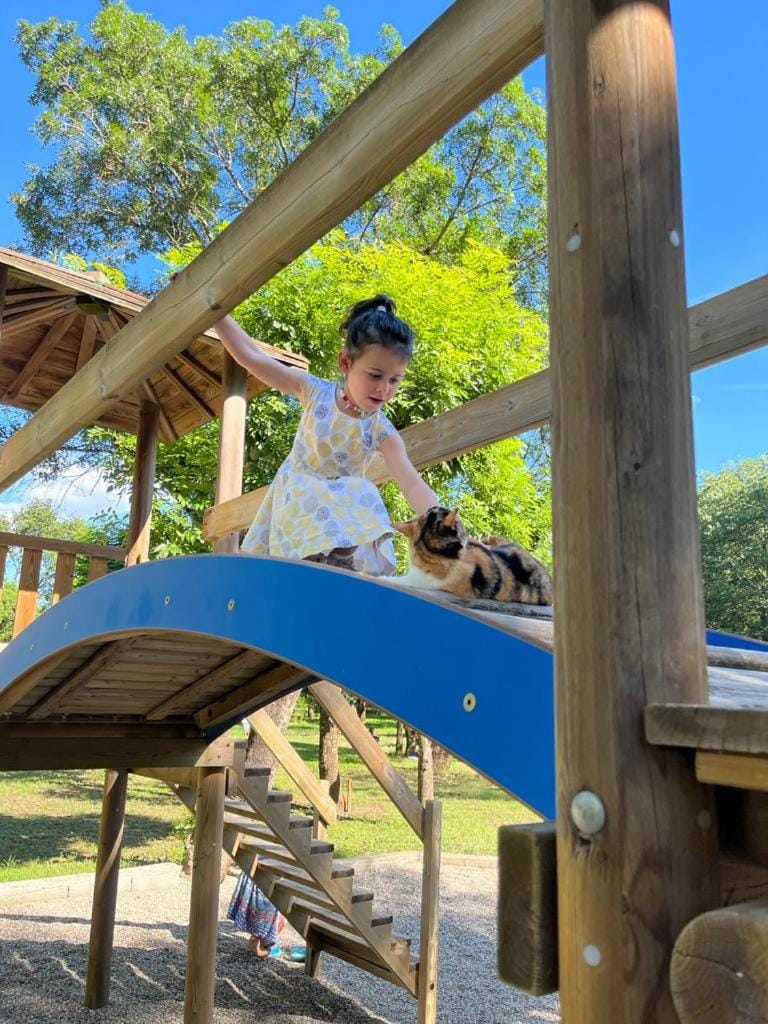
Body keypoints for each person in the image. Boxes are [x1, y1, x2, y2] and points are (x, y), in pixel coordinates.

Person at [213, 293, 439, 573]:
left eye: (395, 380)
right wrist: (214, 311)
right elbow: (251, 357)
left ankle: (337, 562)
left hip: (336, 514)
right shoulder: (314, 392)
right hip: (298, 496)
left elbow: (412, 483)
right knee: (346, 490)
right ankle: (310, 559)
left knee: (362, 489)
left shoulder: (381, 430)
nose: (384, 389)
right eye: (375, 375)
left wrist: (443, 525)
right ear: (345, 363)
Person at [227, 872, 285, 958]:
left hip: (252, 876)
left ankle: (259, 939)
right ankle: (261, 942)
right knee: (280, 920)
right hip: (269, 880)